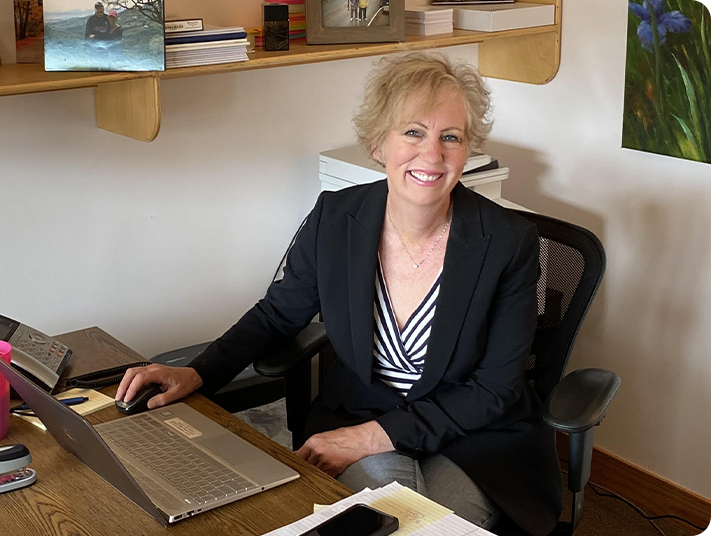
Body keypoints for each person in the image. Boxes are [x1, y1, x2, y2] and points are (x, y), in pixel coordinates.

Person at [115, 53, 563, 536]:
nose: (432, 155)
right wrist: (199, 370)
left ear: (467, 148)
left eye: (449, 137)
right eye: (413, 132)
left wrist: (372, 438)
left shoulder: (508, 241)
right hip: (365, 409)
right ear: (378, 142)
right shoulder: (335, 218)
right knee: (396, 521)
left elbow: (495, 391)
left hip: (474, 435)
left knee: (427, 528)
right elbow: (277, 314)